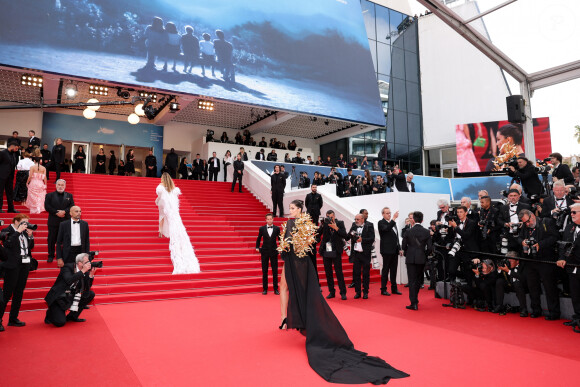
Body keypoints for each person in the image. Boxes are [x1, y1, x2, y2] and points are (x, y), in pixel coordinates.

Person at [278, 200, 408, 383]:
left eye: (292, 208)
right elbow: (285, 241)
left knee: (306, 291)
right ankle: (285, 318)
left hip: (302, 261)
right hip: (290, 258)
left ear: (300, 209)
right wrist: (285, 245)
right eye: (290, 208)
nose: (290, 211)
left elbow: (311, 242)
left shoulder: (308, 223)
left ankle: (304, 319)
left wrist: (300, 241)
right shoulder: (289, 223)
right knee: (284, 286)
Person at [518, 209, 560, 319]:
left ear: (532, 215)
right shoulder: (524, 226)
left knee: (549, 287)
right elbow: (519, 238)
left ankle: (554, 312)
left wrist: (540, 244)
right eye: (525, 223)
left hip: (545, 259)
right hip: (530, 260)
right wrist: (522, 242)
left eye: (528, 221)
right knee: (533, 287)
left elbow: (555, 237)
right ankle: (536, 310)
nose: (528, 224)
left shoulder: (546, 222)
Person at [156, 173, 201, 274]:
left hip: (168, 213)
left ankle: (179, 263)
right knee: (180, 233)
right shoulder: (173, 190)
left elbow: (161, 205)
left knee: (175, 235)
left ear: (163, 179)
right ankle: (187, 259)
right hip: (176, 215)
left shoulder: (160, 188)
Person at [0, 214, 35, 332]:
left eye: (26, 223)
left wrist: (30, 236)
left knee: (19, 293)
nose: (25, 225)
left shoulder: (25, 232)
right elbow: (7, 244)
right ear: (16, 221)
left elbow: (30, 247)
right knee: (6, 294)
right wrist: (18, 232)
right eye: (23, 222)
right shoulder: (6, 230)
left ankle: (13, 318)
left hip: (24, 265)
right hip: (12, 266)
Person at [44, 253, 96, 327]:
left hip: (71, 296)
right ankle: (50, 313)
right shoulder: (67, 267)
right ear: (80, 263)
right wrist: (82, 271)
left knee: (90, 294)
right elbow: (68, 280)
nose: (89, 264)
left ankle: (72, 316)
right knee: (60, 323)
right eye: (86, 262)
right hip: (59, 297)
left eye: (89, 262)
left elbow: (86, 289)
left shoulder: (85, 271)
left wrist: (91, 275)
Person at [401, 211, 432, 310]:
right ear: (422, 220)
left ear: (413, 219)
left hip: (410, 258)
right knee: (418, 280)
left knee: (412, 280)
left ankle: (413, 302)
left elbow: (404, 246)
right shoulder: (426, 232)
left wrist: (407, 254)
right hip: (421, 258)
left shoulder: (408, 231)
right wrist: (424, 254)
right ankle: (415, 299)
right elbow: (430, 248)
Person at [557, 203, 580, 332]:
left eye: (574, 212)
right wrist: (561, 258)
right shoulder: (569, 228)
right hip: (571, 268)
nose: (571, 215)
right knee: (575, 294)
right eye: (571, 212)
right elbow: (563, 246)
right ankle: (577, 317)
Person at [318, 210, 348, 300]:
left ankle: (343, 292)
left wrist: (336, 228)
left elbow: (345, 236)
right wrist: (322, 225)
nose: (329, 219)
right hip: (326, 250)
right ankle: (332, 292)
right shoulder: (325, 224)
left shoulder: (340, 223)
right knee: (328, 272)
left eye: (331, 217)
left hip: (336, 250)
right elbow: (318, 233)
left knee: (339, 272)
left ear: (334, 216)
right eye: (328, 217)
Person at [44, 179, 74, 264]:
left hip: (65, 221)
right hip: (53, 221)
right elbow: (47, 206)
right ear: (56, 185)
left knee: (65, 240)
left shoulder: (69, 195)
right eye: (59, 185)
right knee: (51, 239)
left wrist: (64, 211)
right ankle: (50, 255)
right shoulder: (49, 195)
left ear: (65, 186)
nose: (60, 186)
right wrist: (57, 212)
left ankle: (63, 255)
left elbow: (72, 206)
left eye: (62, 185)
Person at [347, 213, 375, 299]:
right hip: (356, 254)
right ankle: (358, 292)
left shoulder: (369, 225)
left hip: (365, 253)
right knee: (356, 273)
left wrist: (362, 240)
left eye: (357, 219)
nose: (356, 221)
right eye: (355, 219)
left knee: (366, 273)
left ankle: (365, 292)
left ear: (363, 219)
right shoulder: (354, 226)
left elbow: (372, 238)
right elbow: (348, 236)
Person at [378, 207, 402, 296]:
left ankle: (394, 289)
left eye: (390, 213)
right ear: (383, 214)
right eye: (387, 213)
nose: (389, 214)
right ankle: (383, 289)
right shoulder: (381, 223)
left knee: (394, 270)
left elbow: (396, 237)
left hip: (395, 250)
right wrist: (394, 219)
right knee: (385, 270)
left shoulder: (393, 224)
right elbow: (386, 229)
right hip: (386, 250)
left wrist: (399, 248)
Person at [495, 251, 527, 316]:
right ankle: (499, 305)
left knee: (517, 283)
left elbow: (522, 278)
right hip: (510, 285)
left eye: (511, 261)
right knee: (499, 281)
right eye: (508, 260)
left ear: (517, 261)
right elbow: (496, 277)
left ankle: (523, 309)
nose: (508, 263)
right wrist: (499, 269)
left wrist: (508, 271)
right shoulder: (506, 265)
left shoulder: (523, 266)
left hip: (522, 287)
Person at [255, 213, 280, 295]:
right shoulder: (262, 228)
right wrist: (257, 247)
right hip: (264, 251)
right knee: (264, 270)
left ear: (273, 219)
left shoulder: (277, 228)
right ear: (265, 220)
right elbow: (258, 238)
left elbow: (280, 239)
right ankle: (265, 289)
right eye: (268, 219)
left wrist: (281, 248)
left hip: (274, 251)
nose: (269, 220)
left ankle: (275, 289)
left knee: (275, 271)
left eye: (270, 219)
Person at [0, 139, 20, 213]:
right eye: (16, 148)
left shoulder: (13, 154)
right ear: (12, 146)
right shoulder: (2, 153)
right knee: (0, 192)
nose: (16, 150)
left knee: (10, 193)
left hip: (10, 177)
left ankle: (10, 209)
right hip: (1, 176)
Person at [25, 150, 47, 214]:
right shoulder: (43, 168)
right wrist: (46, 185)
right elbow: (45, 177)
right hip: (41, 183)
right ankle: (38, 208)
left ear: (34, 160)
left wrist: (27, 182)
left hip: (33, 183)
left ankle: (34, 209)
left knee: (33, 196)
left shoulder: (32, 167)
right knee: (40, 196)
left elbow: (30, 176)